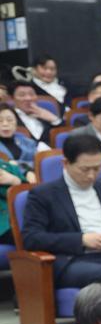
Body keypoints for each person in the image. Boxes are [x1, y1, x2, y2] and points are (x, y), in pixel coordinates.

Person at [23, 136, 101, 286]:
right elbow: (32, 238)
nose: (91, 175)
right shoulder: (43, 194)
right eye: (84, 169)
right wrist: (82, 240)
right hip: (72, 259)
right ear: (65, 163)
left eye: (97, 168)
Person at [0, 105, 36, 244]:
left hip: (17, 214)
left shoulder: (8, 164)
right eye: (0, 120)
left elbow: (25, 188)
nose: (5, 124)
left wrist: (16, 180)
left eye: (9, 120)